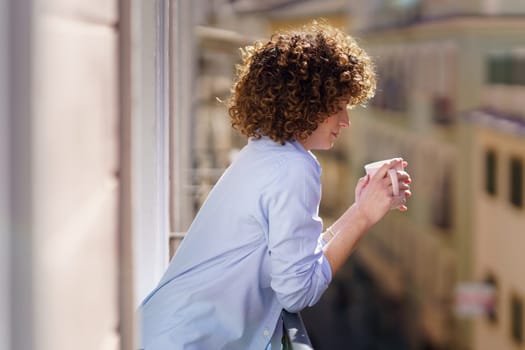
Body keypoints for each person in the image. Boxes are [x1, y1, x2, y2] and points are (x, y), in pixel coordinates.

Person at [138, 21, 412, 349]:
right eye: (338, 106)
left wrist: (361, 208)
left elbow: (297, 259)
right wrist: (363, 217)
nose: (345, 120)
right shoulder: (293, 167)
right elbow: (298, 291)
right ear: (309, 102)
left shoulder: (266, 152)